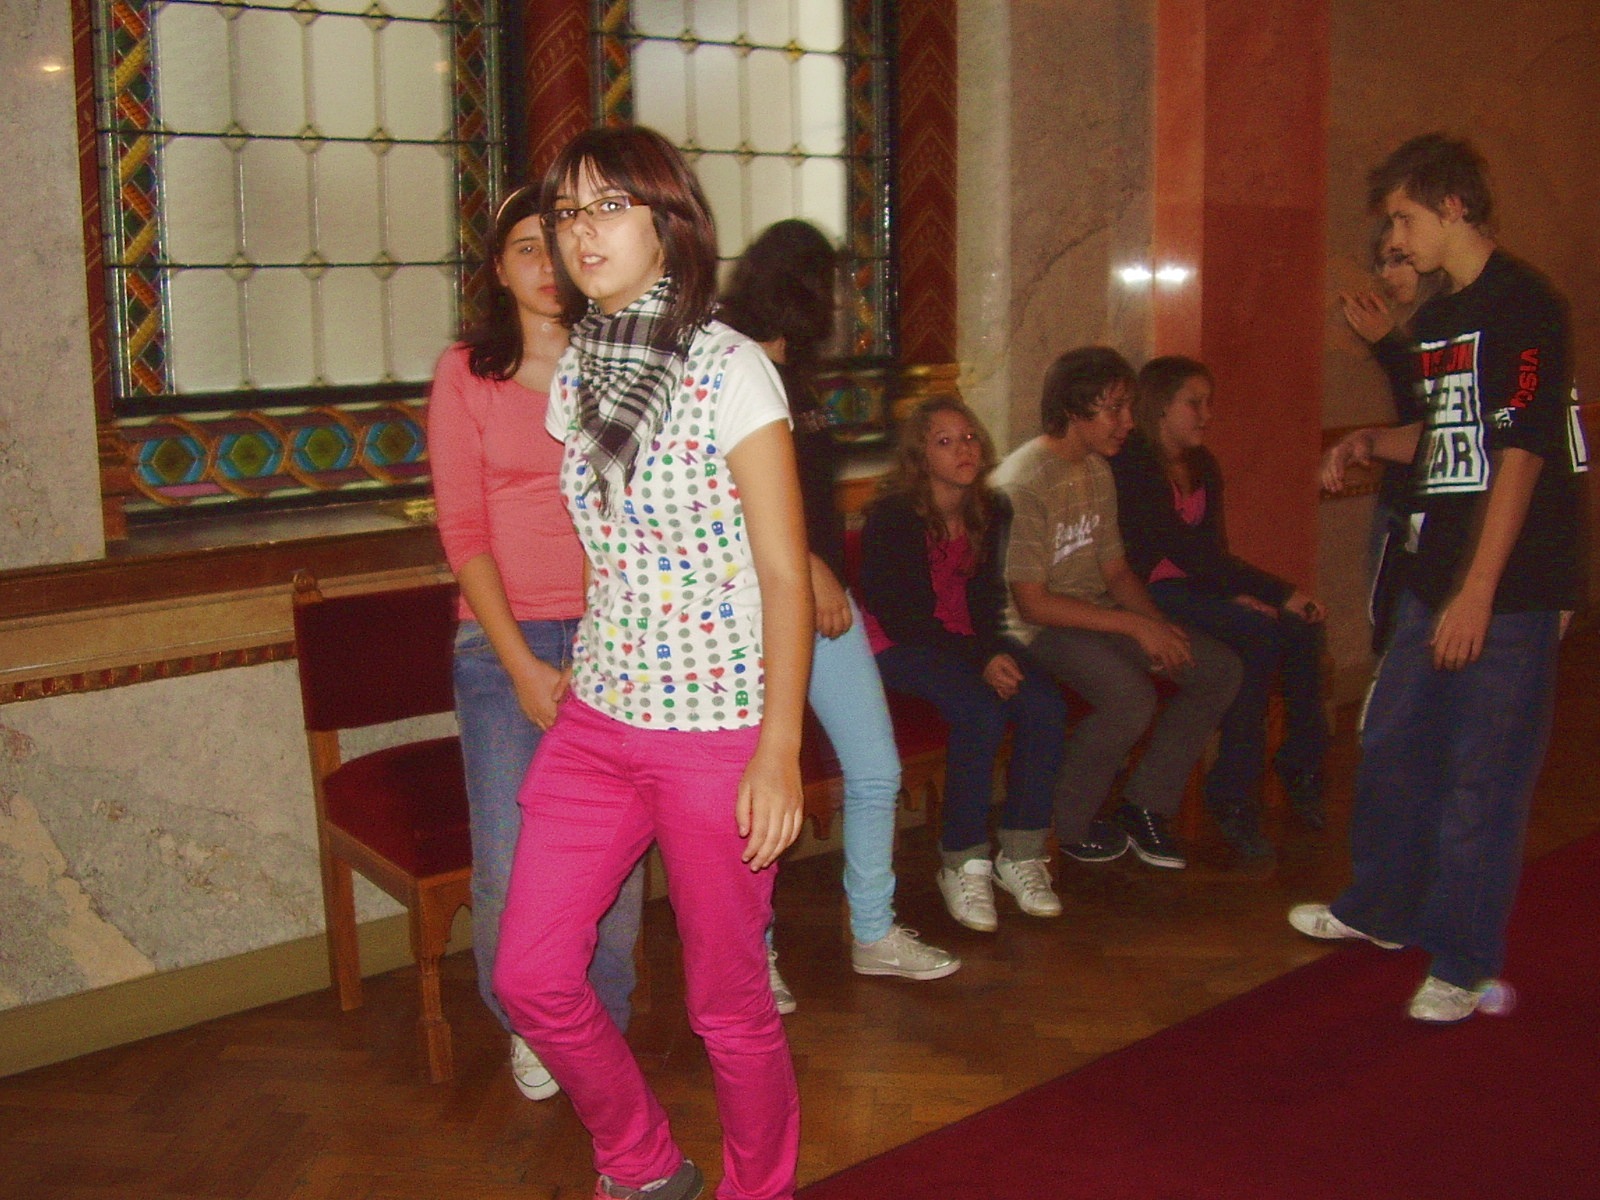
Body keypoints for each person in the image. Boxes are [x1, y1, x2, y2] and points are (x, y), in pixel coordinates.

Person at [490, 126, 810, 1200]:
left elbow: (783, 574)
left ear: (668, 224)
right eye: (566, 212)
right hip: (603, 716)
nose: (581, 232)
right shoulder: (579, 371)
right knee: (531, 974)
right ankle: (641, 1163)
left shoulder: (731, 370)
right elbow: (611, 545)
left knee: (728, 1002)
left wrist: (776, 751)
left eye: (609, 207)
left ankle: (757, 1188)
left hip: (717, 730)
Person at [1295, 133, 1588, 1023]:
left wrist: (1480, 591)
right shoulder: (1443, 315)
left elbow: (1523, 450)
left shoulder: (1525, 304)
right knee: (1392, 744)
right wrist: (1369, 442)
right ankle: (1382, 909)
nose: (1396, 237)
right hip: (1437, 571)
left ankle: (1462, 961)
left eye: (1404, 217)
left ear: (1453, 207)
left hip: (1510, 584)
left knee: (1480, 780)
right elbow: (1445, 431)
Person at [428, 184, 644, 1103]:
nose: (545, 264)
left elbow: (626, 515)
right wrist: (521, 663)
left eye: (555, 243)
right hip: (499, 644)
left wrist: (600, 648)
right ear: (499, 269)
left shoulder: (617, 365)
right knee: (513, 855)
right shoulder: (465, 373)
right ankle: (530, 1022)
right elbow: (463, 531)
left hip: (614, 637)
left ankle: (602, 1017)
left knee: (613, 854)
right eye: (524, 248)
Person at [719, 220, 959, 988]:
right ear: (798, 286)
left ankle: (873, 930)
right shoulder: (731, 363)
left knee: (876, 769)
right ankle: (752, 955)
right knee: (754, 789)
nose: (844, 304)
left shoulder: (796, 373)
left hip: (821, 600)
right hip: (753, 607)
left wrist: (825, 572)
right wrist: (815, 566)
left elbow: (809, 496)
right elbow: (730, 501)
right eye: (834, 287)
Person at [993, 346, 1242, 872]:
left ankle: (1144, 803)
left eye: (1128, 407)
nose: (1129, 421)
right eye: (1114, 409)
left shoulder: (1095, 469)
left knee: (1216, 668)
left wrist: (1157, 625)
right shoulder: (1024, 480)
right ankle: (1066, 823)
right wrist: (1132, 625)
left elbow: (1117, 573)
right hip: (1032, 629)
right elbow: (1032, 603)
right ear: (1073, 409)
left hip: (1092, 612)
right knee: (1129, 697)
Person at [859, 396, 1070, 932]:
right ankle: (962, 860)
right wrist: (982, 659)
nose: (964, 449)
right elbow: (904, 619)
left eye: (970, 437)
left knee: (1044, 702)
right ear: (920, 456)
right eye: (945, 441)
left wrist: (995, 650)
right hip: (894, 645)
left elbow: (984, 602)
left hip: (961, 638)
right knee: (979, 710)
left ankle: (1021, 852)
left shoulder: (990, 509)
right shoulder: (893, 516)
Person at [1111, 355, 1329, 861]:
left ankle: (1300, 763)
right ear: (1160, 406)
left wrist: (1238, 593)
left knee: (1302, 627)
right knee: (1258, 633)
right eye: (1195, 403)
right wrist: (1277, 591)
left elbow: (1212, 548)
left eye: (1208, 403)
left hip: (1195, 588)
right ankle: (1232, 789)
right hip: (1148, 594)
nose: (1206, 415)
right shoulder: (1133, 464)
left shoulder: (1202, 463)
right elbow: (1178, 547)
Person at [1337, 225, 1444, 649]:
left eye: (1398, 260)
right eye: (1382, 262)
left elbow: (1432, 416)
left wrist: (1388, 344)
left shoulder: (1439, 325)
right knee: (1388, 621)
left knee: (1401, 629)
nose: (1386, 273)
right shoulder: (1413, 327)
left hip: (1424, 502)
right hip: (1404, 495)